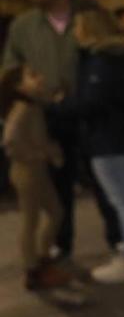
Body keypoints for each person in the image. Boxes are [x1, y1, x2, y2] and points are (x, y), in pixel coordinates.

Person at [1, 0, 121, 262]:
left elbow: (113, 53)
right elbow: (11, 66)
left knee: (104, 180)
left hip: (89, 110)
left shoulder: (90, 16)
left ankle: (120, 239)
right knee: (58, 184)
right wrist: (24, 82)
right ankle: (60, 243)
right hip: (48, 115)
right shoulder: (23, 26)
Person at [73, 7, 124, 282]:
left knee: (122, 199)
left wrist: (58, 105)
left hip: (104, 137)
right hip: (118, 133)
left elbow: (91, 103)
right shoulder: (121, 57)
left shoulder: (101, 61)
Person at [1, 66, 66, 291]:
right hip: (27, 172)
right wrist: (37, 154)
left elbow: (37, 138)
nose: (39, 77)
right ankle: (33, 271)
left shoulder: (33, 105)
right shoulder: (23, 108)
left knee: (55, 213)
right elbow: (10, 142)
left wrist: (51, 152)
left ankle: (42, 259)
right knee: (31, 221)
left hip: (37, 170)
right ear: (19, 86)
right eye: (32, 75)